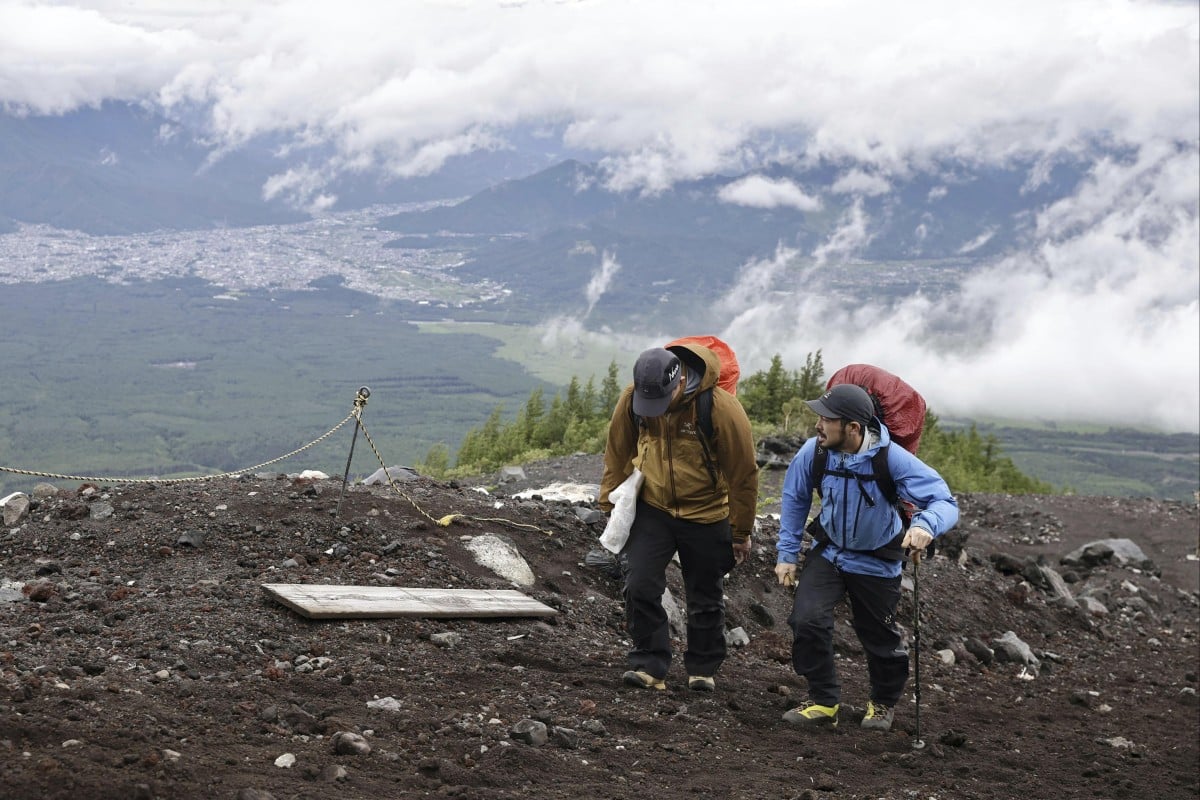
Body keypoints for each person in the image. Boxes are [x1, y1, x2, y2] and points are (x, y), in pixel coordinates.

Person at [775, 383, 958, 731]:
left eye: (826, 419)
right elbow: (795, 498)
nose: (818, 425)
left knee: (879, 638)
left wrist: (925, 527)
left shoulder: (893, 460)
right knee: (806, 620)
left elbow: (944, 502)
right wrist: (786, 553)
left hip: (878, 560)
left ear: (853, 428)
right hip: (829, 554)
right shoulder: (813, 452)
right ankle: (823, 701)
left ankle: (882, 703)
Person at [599, 343, 759, 692]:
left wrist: (740, 530)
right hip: (653, 506)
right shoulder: (632, 400)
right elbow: (617, 452)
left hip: (706, 512)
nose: (654, 410)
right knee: (639, 584)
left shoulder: (719, 408)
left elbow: (743, 474)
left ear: (679, 381)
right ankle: (649, 664)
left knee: (704, 593)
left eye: (661, 402)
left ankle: (702, 668)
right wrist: (609, 505)